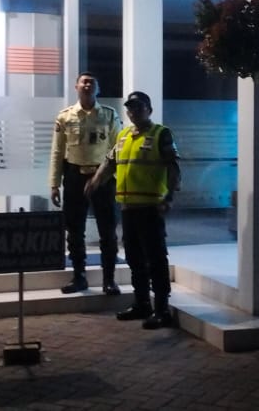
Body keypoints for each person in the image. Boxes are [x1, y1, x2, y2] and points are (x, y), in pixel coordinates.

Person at [86, 91, 181, 329]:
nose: (133, 111)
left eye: (139, 107)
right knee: (134, 258)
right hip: (128, 209)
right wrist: (96, 180)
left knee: (155, 259)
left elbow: (173, 167)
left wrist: (169, 197)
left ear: (149, 109)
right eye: (130, 108)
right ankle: (142, 303)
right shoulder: (123, 135)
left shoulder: (160, 134)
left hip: (150, 208)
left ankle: (162, 309)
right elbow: (109, 162)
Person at [49, 72, 123, 294]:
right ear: (76, 87)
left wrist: (114, 180)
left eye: (92, 82)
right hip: (74, 176)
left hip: (104, 177)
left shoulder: (109, 115)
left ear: (98, 89)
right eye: (84, 82)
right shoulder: (65, 117)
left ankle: (109, 279)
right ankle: (79, 276)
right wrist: (54, 183)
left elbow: (117, 149)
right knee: (74, 230)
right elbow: (57, 151)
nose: (88, 85)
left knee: (108, 230)